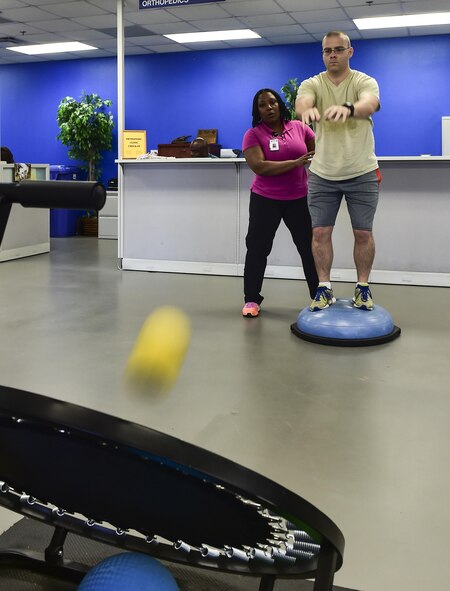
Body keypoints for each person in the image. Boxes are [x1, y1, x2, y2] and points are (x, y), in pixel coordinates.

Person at [295, 31, 381, 312]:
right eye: (327, 51)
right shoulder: (313, 83)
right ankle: (324, 288)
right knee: (319, 232)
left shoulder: (363, 81)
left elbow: (370, 103)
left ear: (349, 52)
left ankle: (363, 288)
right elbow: (303, 102)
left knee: (363, 234)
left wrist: (349, 108)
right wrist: (306, 111)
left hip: (362, 171)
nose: (332, 55)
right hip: (322, 174)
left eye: (338, 50)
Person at [241, 88, 318, 318]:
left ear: (280, 104)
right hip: (265, 200)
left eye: (273, 102)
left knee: (309, 249)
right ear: (258, 111)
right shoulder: (253, 135)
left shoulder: (299, 127)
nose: (269, 107)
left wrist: (312, 165)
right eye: (263, 105)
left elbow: (315, 149)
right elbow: (260, 166)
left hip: (298, 198)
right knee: (257, 249)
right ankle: (252, 300)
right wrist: (295, 163)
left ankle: (318, 296)